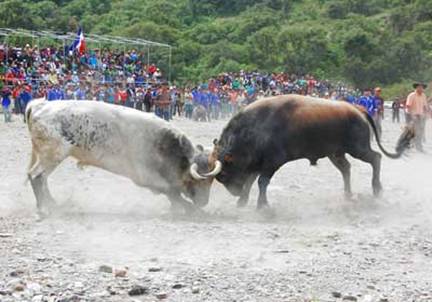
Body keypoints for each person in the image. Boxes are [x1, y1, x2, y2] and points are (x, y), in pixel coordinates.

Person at [406, 82, 428, 151]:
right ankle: (407, 145)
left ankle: (418, 146)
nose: (421, 89)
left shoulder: (423, 95)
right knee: (411, 131)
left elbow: (425, 106)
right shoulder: (411, 95)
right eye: (419, 87)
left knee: (420, 131)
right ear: (416, 88)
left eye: (422, 87)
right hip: (410, 114)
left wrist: (426, 114)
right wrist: (412, 116)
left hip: (419, 115)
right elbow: (408, 106)